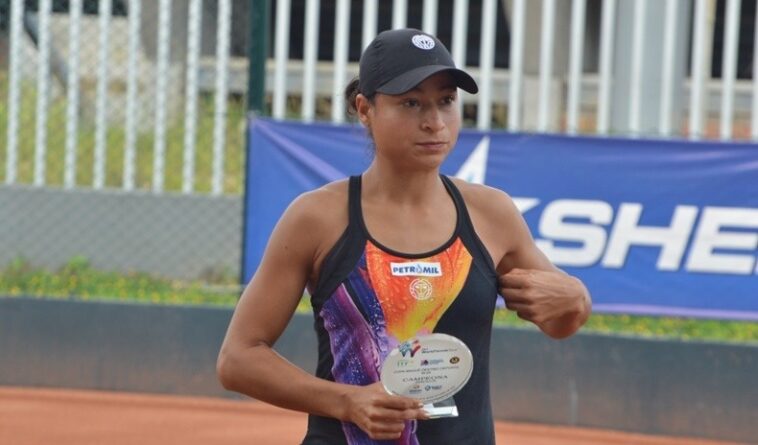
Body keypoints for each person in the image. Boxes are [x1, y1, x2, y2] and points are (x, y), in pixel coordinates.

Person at [217, 28, 591, 444]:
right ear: (364, 109)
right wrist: (347, 401)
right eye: (411, 103)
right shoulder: (318, 217)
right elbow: (238, 358)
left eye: (446, 101)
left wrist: (576, 297)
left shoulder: (491, 214)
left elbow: (562, 321)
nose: (434, 122)